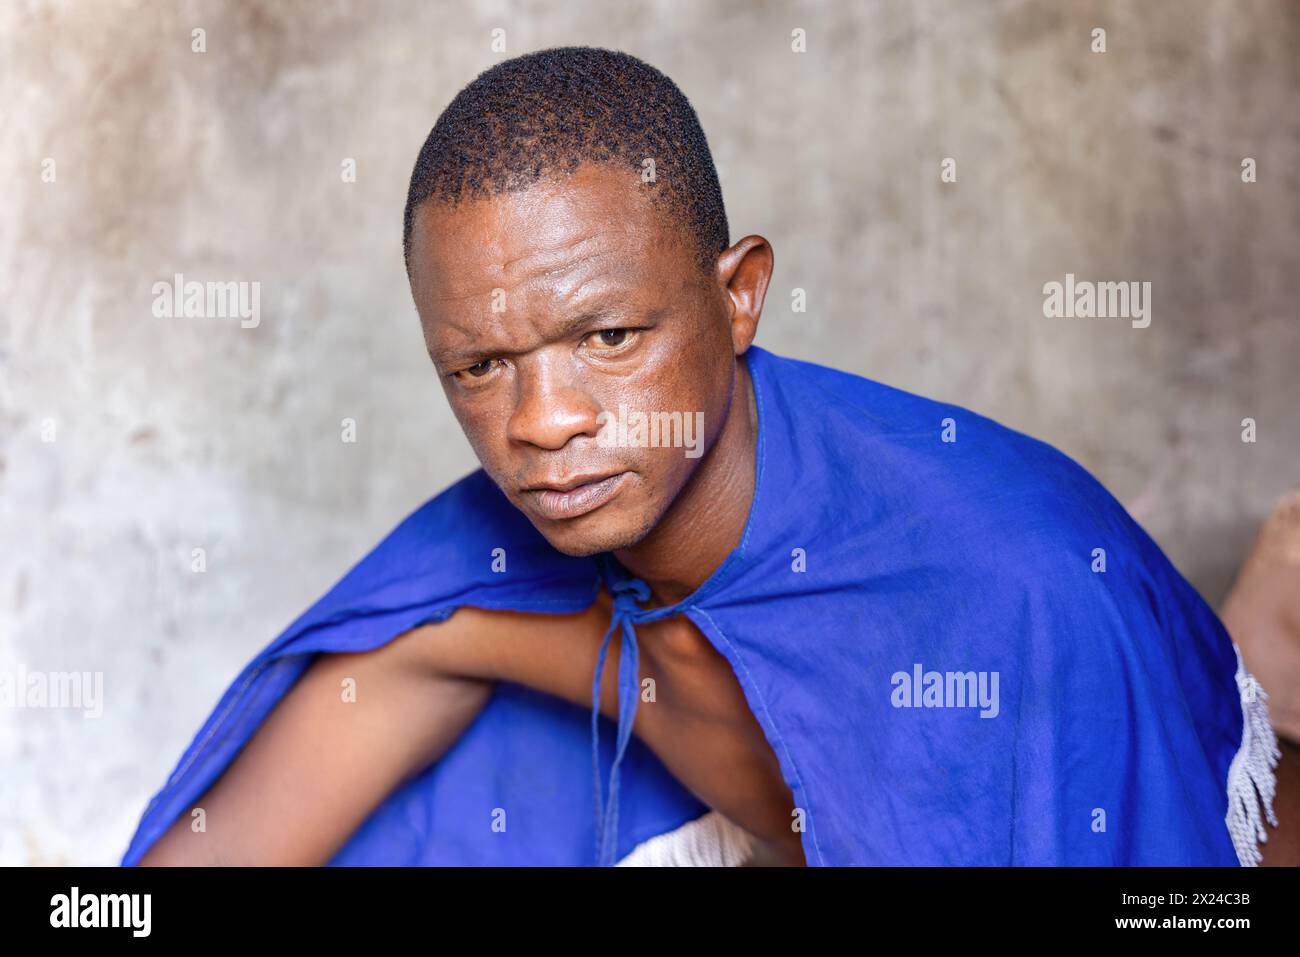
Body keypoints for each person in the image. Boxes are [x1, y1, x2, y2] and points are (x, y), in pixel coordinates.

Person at [122, 46, 1285, 867]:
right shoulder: (491, 576)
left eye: (608, 337)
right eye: (478, 366)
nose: (541, 423)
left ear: (739, 299)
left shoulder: (1009, 589)